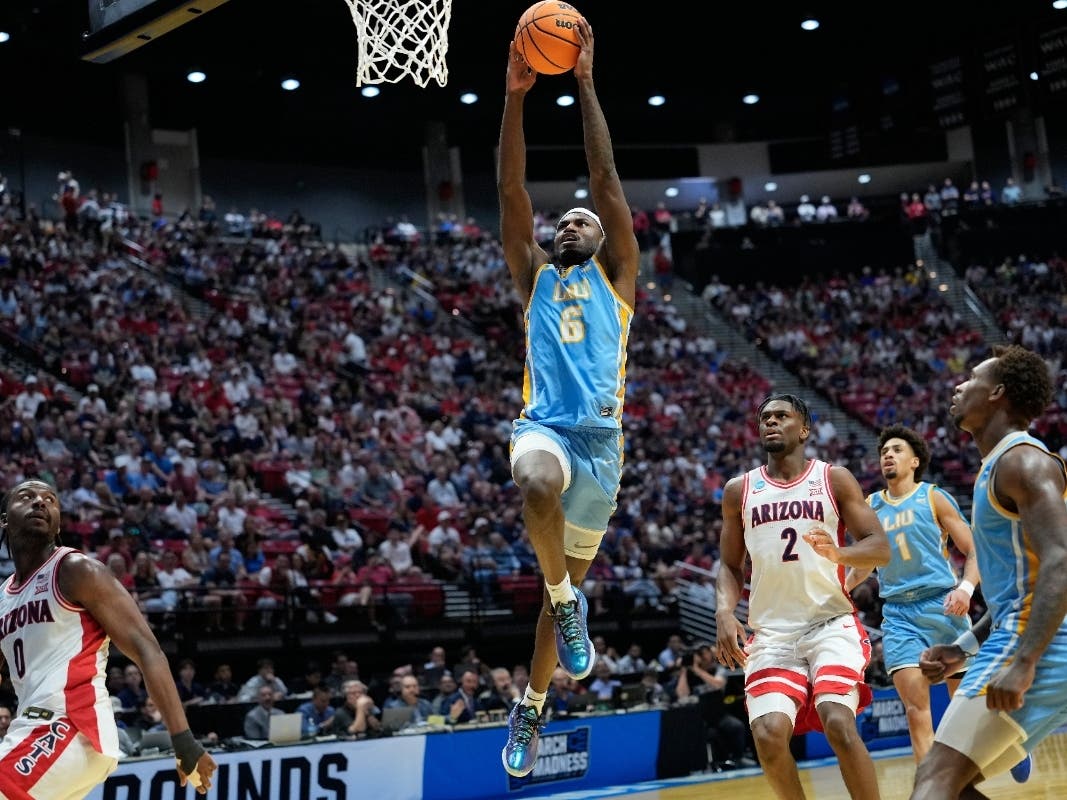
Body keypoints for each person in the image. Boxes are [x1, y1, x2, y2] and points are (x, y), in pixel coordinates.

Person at [497, 15, 640, 779]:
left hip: (603, 447)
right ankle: (562, 598)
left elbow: (607, 181)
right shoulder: (534, 279)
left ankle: (532, 703)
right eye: (567, 219)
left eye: (585, 218)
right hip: (545, 428)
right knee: (532, 481)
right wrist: (515, 98)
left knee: (558, 622)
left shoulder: (619, 283)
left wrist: (584, 82)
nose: (575, 220)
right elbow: (510, 187)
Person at [716, 394, 890, 799]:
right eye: (765, 418)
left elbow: (880, 546)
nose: (771, 422)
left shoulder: (833, 478)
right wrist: (725, 611)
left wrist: (840, 553)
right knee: (768, 733)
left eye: (782, 416)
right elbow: (729, 565)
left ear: (805, 430)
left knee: (838, 724)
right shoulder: (739, 490)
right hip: (772, 633)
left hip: (829, 623)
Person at [911, 345, 1067, 799]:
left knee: (934, 779)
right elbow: (1020, 589)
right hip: (1029, 634)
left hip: (1036, 642)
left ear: (997, 392)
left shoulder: (1022, 461)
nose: (959, 386)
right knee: (954, 785)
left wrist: (1024, 662)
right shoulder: (1000, 465)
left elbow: (1061, 562)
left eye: (973, 379)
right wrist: (963, 649)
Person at [0, 479, 216, 797]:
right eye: (27, 496)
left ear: (59, 520)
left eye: (50, 499)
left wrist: (182, 738)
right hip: (31, 729)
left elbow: (148, 650)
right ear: (5, 518)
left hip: (72, 725)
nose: (40, 502)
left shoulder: (75, 569)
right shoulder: (4, 596)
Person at [843, 425, 979, 764]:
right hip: (899, 614)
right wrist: (840, 589)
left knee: (964, 710)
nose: (888, 454)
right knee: (917, 710)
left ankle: (1006, 749)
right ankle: (932, 789)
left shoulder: (933, 496)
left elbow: (975, 549)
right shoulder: (871, 505)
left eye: (897, 449)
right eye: (884, 451)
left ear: (915, 460)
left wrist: (965, 588)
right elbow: (865, 563)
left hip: (944, 605)